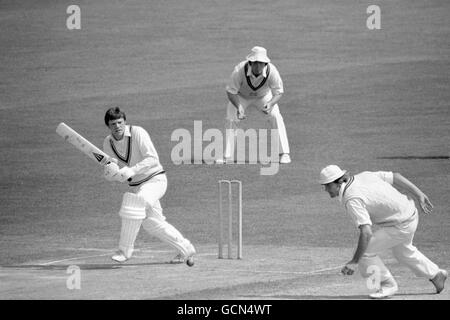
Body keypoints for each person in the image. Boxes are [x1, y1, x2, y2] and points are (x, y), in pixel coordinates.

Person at [319, 165, 447, 299]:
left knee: (365, 253)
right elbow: (396, 176)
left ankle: (387, 285)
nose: (326, 189)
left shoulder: (352, 199)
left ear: (339, 182)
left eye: (327, 185)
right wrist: (419, 194)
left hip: (400, 225)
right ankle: (436, 275)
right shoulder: (364, 175)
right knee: (404, 253)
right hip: (410, 213)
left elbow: (366, 232)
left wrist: (354, 261)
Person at [102, 107, 196, 266]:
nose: (117, 126)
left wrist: (132, 170)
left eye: (120, 122)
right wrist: (112, 175)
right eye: (113, 124)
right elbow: (112, 169)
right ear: (108, 126)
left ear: (125, 121)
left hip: (155, 180)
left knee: (133, 205)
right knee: (152, 224)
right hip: (136, 186)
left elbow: (152, 159)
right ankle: (186, 249)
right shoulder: (108, 143)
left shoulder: (138, 132)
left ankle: (124, 251)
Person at [219, 46, 291, 164]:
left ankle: (284, 154)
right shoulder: (239, 70)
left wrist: (270, 103)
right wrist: (239, 107)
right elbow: (231, 91)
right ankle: (227, 156)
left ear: (265, 63)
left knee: (275, 116)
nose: (258, 66)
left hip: (264, 97)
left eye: (261, 63)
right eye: (255, 63)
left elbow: (278, 92)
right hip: (240, 97)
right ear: (250, 62)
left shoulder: (272, 71)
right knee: (231, 118)